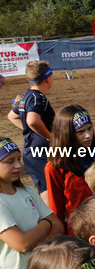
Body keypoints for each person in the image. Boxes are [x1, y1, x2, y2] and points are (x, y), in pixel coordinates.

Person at [0, 138, 62, 269]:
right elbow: (22, 243)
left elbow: (58, 227)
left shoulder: (27, 191)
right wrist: (46, 223)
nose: (18, 165)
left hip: (45, 268)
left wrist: (37, 233)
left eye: (19, 159)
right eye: (9, 161)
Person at [44, 106, 95, 235]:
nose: (88, 135)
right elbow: (57, 208)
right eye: (80, 131)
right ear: (66, 134)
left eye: (90, 128)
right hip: (80, 232)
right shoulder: (56, 166)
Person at [8, 60, 55, 196]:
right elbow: (32, 120)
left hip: (33, 153)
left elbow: (12, 116)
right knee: (48, 193)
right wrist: (49, 136)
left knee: (48, 190)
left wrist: (29, 130)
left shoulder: (27, 96)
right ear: (47, 78)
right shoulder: (37, 98)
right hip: (39, 154)